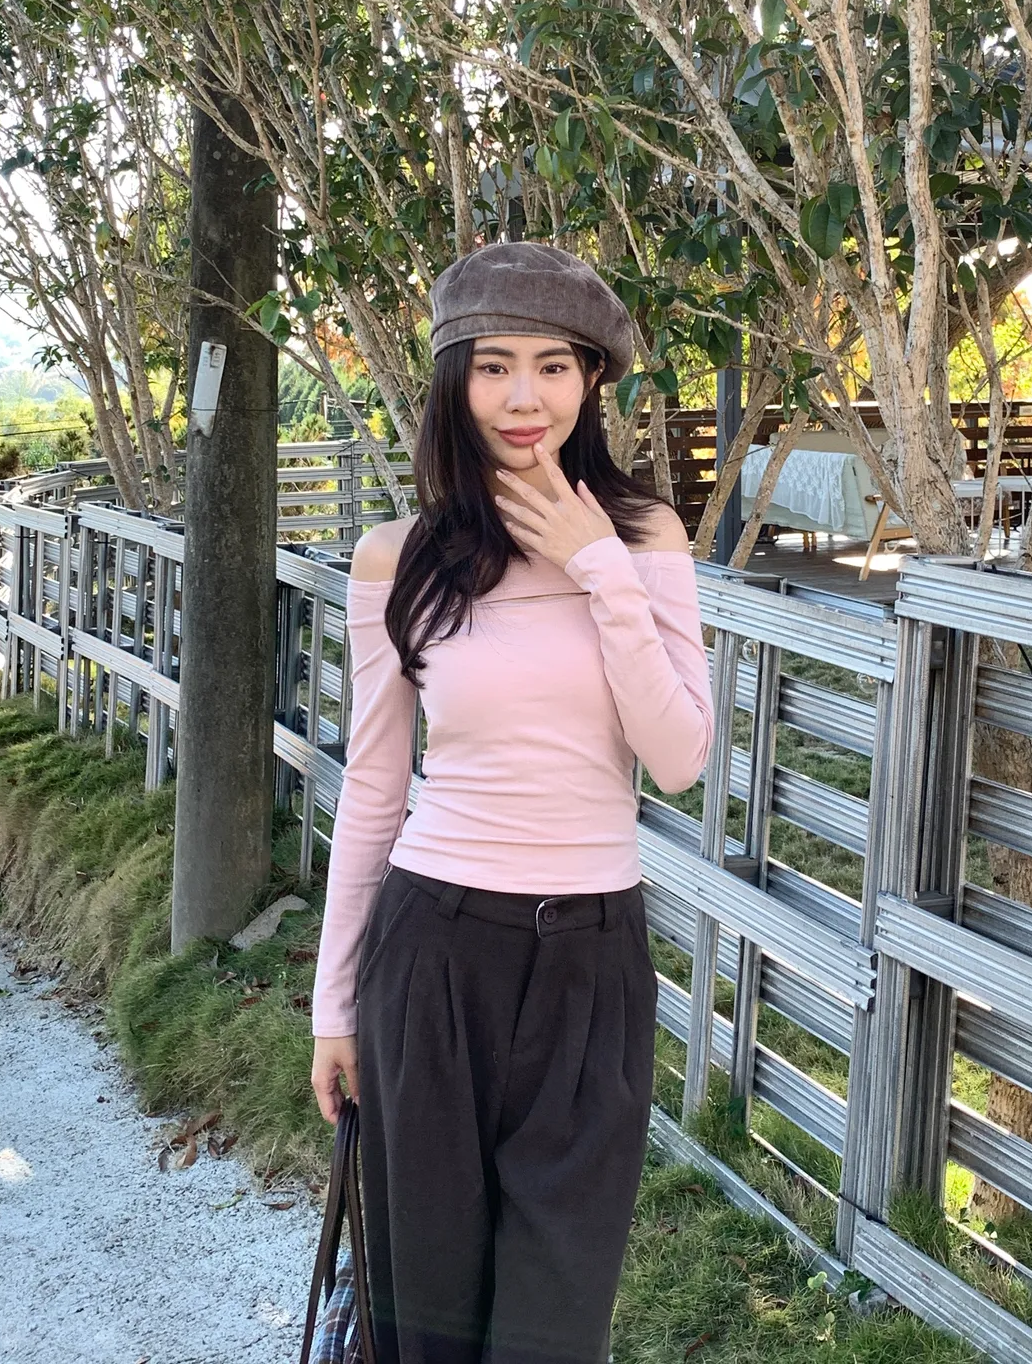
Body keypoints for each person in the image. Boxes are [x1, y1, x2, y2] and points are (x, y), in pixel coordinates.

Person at [310, 241, 715, 1364]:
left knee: (552, 1329)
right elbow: (375, 788)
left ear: (590, 382)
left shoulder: (644, 539)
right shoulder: (398, 558)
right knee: (429, 1324)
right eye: (494, 367)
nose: (524, 397)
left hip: (593, 964)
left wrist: (600, 568)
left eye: (552, 366)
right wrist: (333, 1006)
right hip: (432, 956)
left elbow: (677, 757)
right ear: (456, 381)